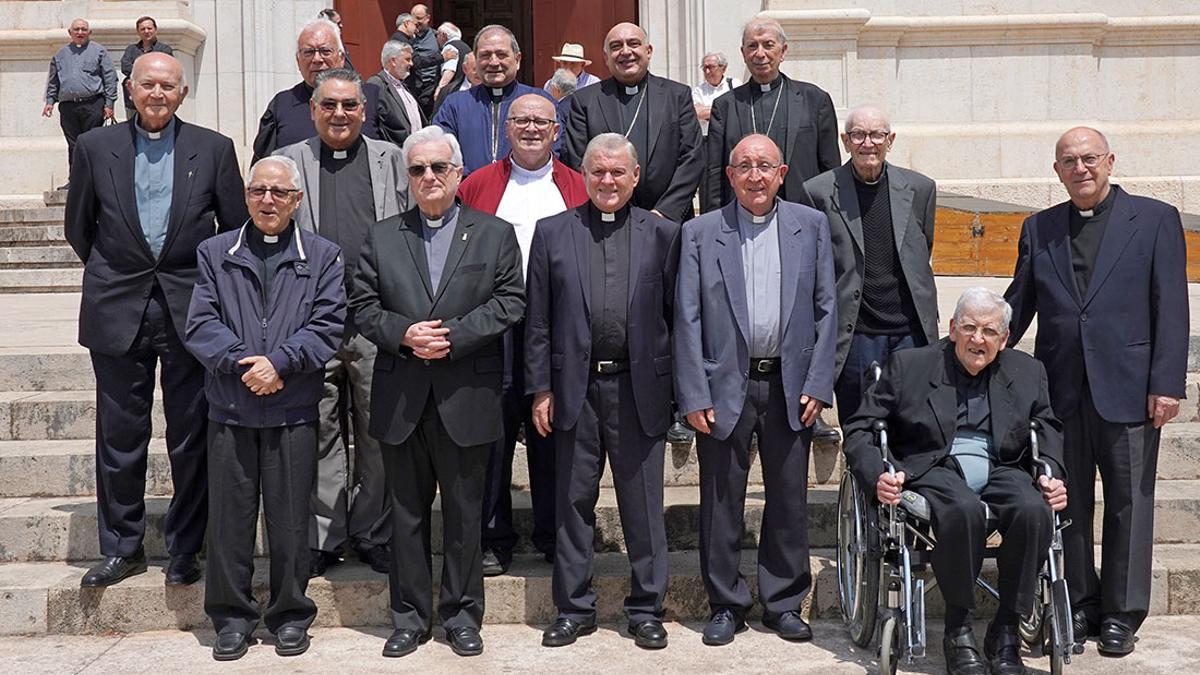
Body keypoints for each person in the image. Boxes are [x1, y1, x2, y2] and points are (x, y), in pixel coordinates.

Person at [62, 53, 248, 589]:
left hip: (193, 312)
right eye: (148, 85)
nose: (158, 94)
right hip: (118, 305)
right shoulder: (95, 147)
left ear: (183, 93)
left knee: (191, 434)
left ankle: (187, 548)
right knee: (120, 434)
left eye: (168, 86)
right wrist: (117, 270)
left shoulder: (213, 149)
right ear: (130, 88)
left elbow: (233, 231)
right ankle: (123, 546)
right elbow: (81, 228)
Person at [1004, 126, 1189, 656]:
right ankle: (1080, 602)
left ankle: (1121, 614)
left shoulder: (1155, 220)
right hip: (1061, 389)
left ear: (1110, 161)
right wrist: (979, 341)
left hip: (1130, 389)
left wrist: (1166, 384)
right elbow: (1020, 301)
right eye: (1069, 161)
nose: (1080, 168)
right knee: (1070, 500)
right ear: (1056, 171)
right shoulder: (1039, 228)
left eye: (1089, 158)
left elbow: (1171, 306)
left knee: (1130, 502)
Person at [351, 126, 524, 658]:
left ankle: (463, 614)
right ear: (407, 178)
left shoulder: (494, 233)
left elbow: (510, 300)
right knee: (404, 516)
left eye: (438, 167)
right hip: (403, 396)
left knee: (465, 516)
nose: (429, 177)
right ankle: (408, 617)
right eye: (418, 169)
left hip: (465, 395)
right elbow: (361, 304)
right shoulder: (380, 236)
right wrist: (403, 334)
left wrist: (452, 338)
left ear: (458, 172)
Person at [843, 287, 1069, 675]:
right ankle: (958, 627)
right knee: (962, 510)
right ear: (952, 328)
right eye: (969, 327)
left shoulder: (1027, 371)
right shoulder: (910, 365)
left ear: (1004, 338)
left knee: (1034, 510)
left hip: (1004, 465)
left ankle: (1006, 629)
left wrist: (1051, 472)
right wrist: (877, 475)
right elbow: (862, 429)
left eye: (989, 331)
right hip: (933, 464)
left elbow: (1046, 426)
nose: (977, 339)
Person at [673, 134, 836, 646]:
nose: (755, 175)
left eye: (764, 165)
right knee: (721, 499)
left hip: (790, 383)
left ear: (782, 172)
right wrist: (693, 393)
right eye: (744, 166)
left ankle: (783, 602)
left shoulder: (810, 226)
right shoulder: (701, 232)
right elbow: (686, 316)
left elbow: (828, 307)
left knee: (788, 499)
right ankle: (725, 603)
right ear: (729, 176)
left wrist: (817, 381)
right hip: (725, 384)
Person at [186, 155, 345, 662]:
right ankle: (232, 618)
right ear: (247, 196)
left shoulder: (322, 255)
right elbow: (201, 323)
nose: (268, 201)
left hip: (292, 407)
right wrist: (241, 364)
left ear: (297, 200)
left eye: (279, 192)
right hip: (231, 407)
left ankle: (290, 614)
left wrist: (280, 363)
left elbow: (328, 324)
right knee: (230, 521)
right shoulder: (215, 252)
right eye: (258, 191)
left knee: (292, 519)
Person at [526, 133, 679, 650]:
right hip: (575, 389)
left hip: (640, 391)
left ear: (635, 177)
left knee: (642, 505)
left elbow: (678, 319)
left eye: (618, 173)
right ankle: (574, 608)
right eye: (598, 172)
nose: (608, 182)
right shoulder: (552, 233)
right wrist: (541, 388)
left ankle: (645, 608)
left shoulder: (664, 236)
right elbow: (538, 322)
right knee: (572, 502)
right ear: (583, 175)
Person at [274, 68, 408, 578]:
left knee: (378, 433)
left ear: (364, 110)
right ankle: (325, 535)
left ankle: (373, 532)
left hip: (376, 320)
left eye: (349, 105)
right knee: (321, 429)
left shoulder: (392, 160)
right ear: (312, 109)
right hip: (312, 324)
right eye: (328, 104)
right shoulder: (288, 163)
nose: (339, 114)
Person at [457, 94, 588, 576]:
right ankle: (494, 536)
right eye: (521, 121)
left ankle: (555, 532)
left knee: (553, 429)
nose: (531, 129)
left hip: (558, 325)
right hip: (494, 325)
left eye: (541, 122)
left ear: (556, 131)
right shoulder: (477, 184)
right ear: (506, 129)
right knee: (493, 431)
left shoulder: (576, 185)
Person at [802, 105, 939, 424]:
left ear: (890, 139)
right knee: (861, 431)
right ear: (844, 141)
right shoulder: (818, 192)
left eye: (877, 134)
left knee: (914, 430)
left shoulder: (920, 189)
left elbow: (921, 251)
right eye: (858, 135)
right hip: (855, 338)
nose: (868, 143)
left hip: (911, 336)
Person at [564, 22, 702, 224]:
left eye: (633, 44)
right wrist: (608, 206)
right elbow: (577, 161)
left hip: (666, 222)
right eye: (616, 46)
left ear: (648, 51)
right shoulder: (585, 101)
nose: (625, 52)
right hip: (605, 220)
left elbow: (692, 158)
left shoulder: (677, 96)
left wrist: (665, 212)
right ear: (606, 57)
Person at [703, 18, 839, 213]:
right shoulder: (725, 106)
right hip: (741, 218)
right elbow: (714, 174)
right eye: (752, 46)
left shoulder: (815, 100)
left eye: (768, 45)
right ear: (743, 53)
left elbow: (830, 170)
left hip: (801, 213)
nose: (760, 54)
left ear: (783, 51)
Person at [432, 25, 557, 175]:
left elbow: (556, 150)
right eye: (485, 56)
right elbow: (440, 152)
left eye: (501, 55)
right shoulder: (455, 105)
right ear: (476, 60)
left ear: (517, 60)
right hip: (469, 192)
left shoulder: (541, 102)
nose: (493, 62)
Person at [251, 18, 381, 162]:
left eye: (325, 51)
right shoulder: (281, 105)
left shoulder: (373, 97)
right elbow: (264, 169)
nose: (317, 59)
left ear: (341, 58)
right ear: (298, 60)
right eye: (309, 52)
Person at [42, 18, 117, 188]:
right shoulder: (60, 54)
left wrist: (109, 104)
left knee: (93, 142)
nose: (80, 32)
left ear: (89, 33)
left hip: (93, 104)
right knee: (73, 145)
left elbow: (110, 78)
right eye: (76, 29)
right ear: (70, 33)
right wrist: (49, 102)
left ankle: (96, 180)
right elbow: (53, 80)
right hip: (68, 107)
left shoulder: (99, 51)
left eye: (84, 29)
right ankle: (75, 181)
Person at [369, 41, 426, 148]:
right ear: (393, 61)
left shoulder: (404, 87)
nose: (411, 64)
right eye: (407, 59)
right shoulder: (376, 84)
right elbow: (370, 123)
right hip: (394, 154)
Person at [120, 16, 173, 121]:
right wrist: (149, 72)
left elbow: (164, 70)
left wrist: (138, 71)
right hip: (133, 99)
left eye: (149, 28)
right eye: (143, 29)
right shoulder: (131, 50)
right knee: (133, 126)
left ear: (155, 29)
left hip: (156, 97)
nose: (146, 31)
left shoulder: (164, 50)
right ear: (138, 32)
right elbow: (125, 67)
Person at [390, 5, 441, 117]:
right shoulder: (405, 38)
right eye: (413, 19)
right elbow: (416, 61)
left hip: (430, 87)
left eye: (418, 18)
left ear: (427, 18)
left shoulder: (437, 36)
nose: (415, 22)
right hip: (411, 87)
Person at [691, 52, 740, 138]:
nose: (707, 71)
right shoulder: (698, 91)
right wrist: (726, 110)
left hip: (731, 136)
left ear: (723, 68)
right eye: (704, 68)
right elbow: (696, 113)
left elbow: (739, 110)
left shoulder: (735, 84)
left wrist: (708, 111)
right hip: (708, 137)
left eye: (711, 67)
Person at [432, 22, 470, 106]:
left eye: (437, 35)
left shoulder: (449, 47)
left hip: (452, 92)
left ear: (443, 35)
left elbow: (449, 70)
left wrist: (440, 88)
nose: (436, 38)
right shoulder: (466, 47)